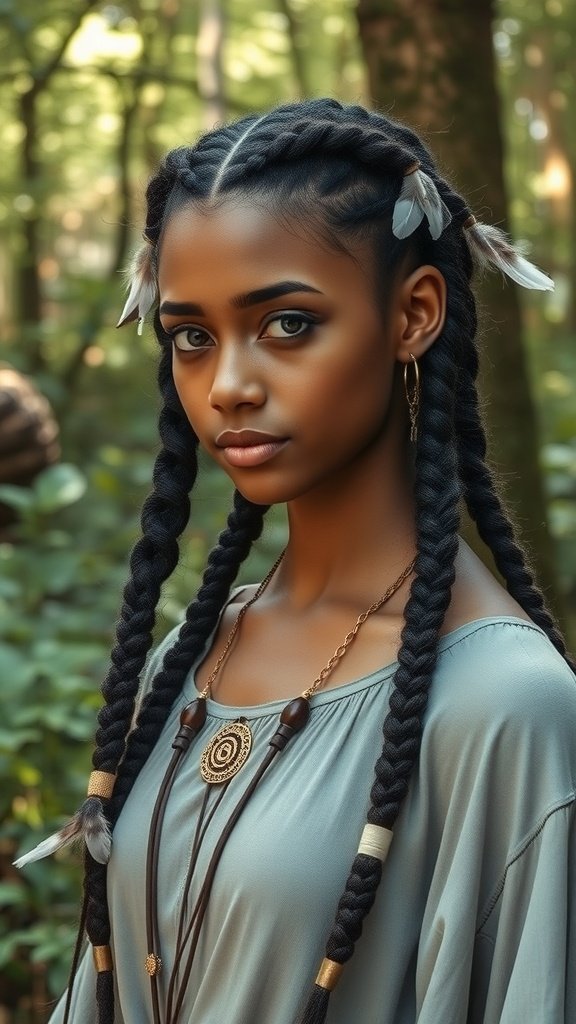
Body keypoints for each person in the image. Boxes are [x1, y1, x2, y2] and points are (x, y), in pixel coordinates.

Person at [17, 98, 576, 1024]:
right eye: (192, 336)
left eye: (285, 324)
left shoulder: (507, 709)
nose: (229, 384)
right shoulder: (185, 662)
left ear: (415, 315)